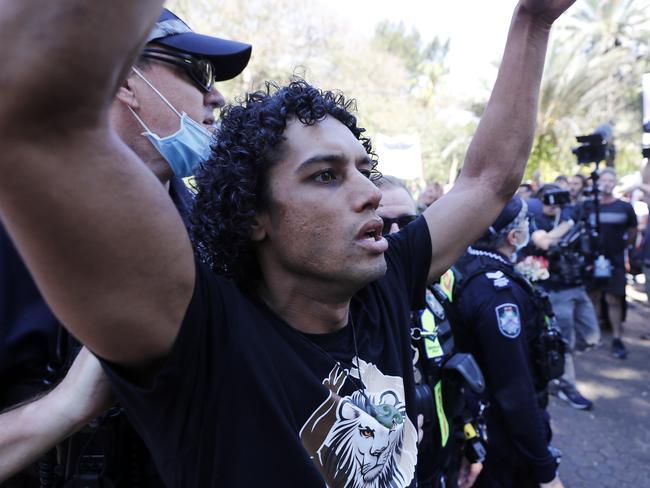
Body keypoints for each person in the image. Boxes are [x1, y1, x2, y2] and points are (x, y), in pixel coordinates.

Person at [0, 0, 575, 486]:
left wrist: (533, 19)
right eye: (325, 175)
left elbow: (488, 179)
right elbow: (39, 110)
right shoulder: (202, 340)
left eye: (363, 168)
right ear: (254, 217)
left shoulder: (383, 283)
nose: (371, 194)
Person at [0, 8, 251, 486]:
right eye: (197, 72)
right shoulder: (13, 223)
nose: (215, 94)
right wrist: (64, 408)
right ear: (122, 78)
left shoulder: (209, 228)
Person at [376, 175, 484, 488]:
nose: (396, 234)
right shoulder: (344, 313)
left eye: (408, 222)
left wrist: (470, 439)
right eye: (382, 224)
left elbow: (456, 374)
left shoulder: (438, 292)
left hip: (440, 466)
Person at [451, 197, 563, 488]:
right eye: (526, 224)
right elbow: (514, 389)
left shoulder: (469, 262)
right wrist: (545, 469)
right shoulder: (498, 295)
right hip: (502, 436)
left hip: (484, 422)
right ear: (514, 236)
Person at [528, 185, 600, 410]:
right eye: (548, 199)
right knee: (564, 343)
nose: (553, 204)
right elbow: (543, 242)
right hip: (556, 290)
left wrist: (570, 219)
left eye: (557, 199)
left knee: (592, 337)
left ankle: (553, 364)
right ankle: (567, 387)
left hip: (577, 285)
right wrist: (566, 225)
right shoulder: (535, 219)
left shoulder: (571, 215)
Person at [587, 168, 637, 359]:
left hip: (614, 261)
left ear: (615, 183)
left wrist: (623, 248)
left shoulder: (625, 207)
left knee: (613, 298)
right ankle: (594, 333)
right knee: (594, 296)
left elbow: (632, 232)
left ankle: (617, 337)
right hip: (592, 261)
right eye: (604, 180)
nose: (606, 183)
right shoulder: (590, 206)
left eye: (610, 180)